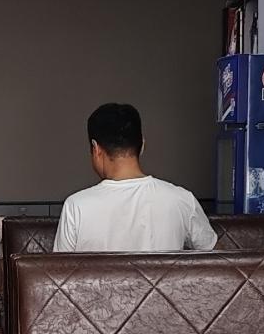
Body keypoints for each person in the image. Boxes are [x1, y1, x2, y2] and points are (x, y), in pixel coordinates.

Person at [55, 102, 216, 253]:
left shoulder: (76, 207)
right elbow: (220, 261)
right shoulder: (182, 200)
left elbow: (59, 272)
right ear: (142, 145)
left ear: (96, 149)